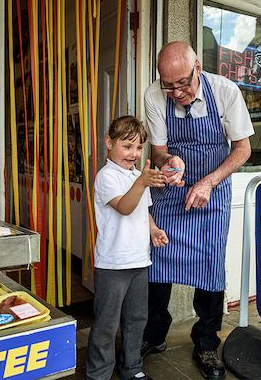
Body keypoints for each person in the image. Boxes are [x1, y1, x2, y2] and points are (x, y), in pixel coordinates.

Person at [142, 41, 253, 380]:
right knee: (156, 259)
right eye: (168, 85)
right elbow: (159, 151)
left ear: (198, 69)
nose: (176, 92)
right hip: (172, 190)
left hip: (213, 191)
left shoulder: (225, 92)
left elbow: (243, 149)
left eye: (183, 84)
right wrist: (169, 162)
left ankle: (205, 342)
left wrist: (207, 182)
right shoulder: (154, 95)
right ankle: (154, 334)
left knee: (210, 266)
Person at [86, 116, 170, 380]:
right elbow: (124, 207)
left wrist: (154, 230)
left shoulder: (137, 176)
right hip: (113, 264)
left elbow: (143, 211)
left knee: (136, 320)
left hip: (139, 261)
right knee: (106, 325)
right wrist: (142, 182)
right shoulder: (106, 176)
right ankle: (98, 373)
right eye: (127, 146)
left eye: (138, 147)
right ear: (109, 143)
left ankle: (132, 368)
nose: (133, 153)